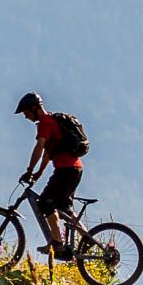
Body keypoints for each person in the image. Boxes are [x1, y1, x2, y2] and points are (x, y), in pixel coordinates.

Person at [15, 92, 87, 259]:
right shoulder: (52, 121)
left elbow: (40, 148)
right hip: (74, 169)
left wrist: (29, 170)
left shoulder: (44, 123)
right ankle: (86, 238)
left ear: (35, 108)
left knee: (45, 203)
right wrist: (38, 174)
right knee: (64, 209)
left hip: (66, 170)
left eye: (26, 112)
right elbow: (48, 154)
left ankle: (57, 244)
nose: (25, 116)